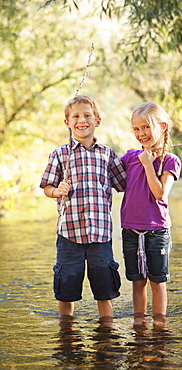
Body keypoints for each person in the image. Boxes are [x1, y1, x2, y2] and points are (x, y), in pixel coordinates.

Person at [40, 94, 126, 322]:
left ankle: (106, 332)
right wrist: (56, 191)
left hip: (100, 234)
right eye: (76, 116)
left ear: (97, 120)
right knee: (66, 288)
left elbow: (124, 184)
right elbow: (46, 187)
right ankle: (66, 332)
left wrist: (144, 161)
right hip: (69, 234)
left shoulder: (107, 154)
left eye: (88, 115)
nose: (82, 120)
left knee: (104, 288)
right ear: (67, 122)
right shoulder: (60, 154)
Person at [120, 101, 181, 328]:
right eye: (136, 129)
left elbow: (160, 194)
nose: (141, 133)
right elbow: (113, 179)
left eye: (146, 127)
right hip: (130, 229)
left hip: (156, 231)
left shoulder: (170, 161)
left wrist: (148, 164)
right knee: (137, 281)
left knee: (157, 282)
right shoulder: (130, 157)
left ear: (162, 126)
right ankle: (139, 326)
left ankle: (159, 326)